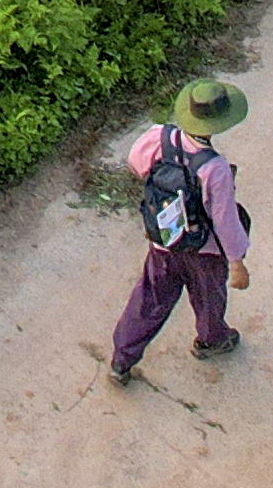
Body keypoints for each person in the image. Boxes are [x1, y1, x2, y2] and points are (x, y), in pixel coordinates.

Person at [101, 75, 251, 384]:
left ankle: (122, 358)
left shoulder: (159, 137)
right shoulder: (215, 168)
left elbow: (134, 161)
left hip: (164, 242)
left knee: (149, 299)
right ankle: (212, 340)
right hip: (203, 252)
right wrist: (237, 262)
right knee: (209, 298)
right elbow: (223, 219)